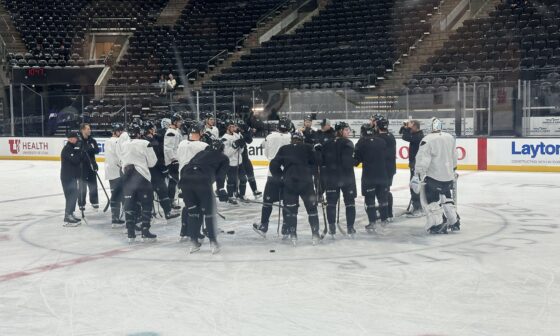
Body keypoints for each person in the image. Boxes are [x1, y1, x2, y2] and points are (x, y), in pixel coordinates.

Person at [179, 139, 230, 254]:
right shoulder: (223, 157)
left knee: (193, 213)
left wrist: (182, 188)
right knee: (209, 213)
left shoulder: (200, 153)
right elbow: (221, 176)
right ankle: (213, 243)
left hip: (185, 180)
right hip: (202, 181)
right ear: (222, 149)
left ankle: (193, 243)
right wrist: (221, 190)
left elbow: (185, 167)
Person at [269, 132, 320, 244]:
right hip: (306, 182)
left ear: (292, 139)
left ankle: (293, 234)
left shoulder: (284, 148)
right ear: (302, 139)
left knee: (291, 211)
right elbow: (317, 163)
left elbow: (273, 164)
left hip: (290, 183)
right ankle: (315, 234)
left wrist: (280, 177)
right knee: (312, 209)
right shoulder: (308, 147)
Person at [413, 117, 460, 234]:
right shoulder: (449, 137)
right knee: (447, 198)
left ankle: (438, 224)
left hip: (434, 176)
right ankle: (454, 221)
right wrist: (453, 169)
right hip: (448, 176)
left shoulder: (427, 140)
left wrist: (417, 175)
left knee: (432, 201)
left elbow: (422, 160)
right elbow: (454, 156)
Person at [252, 117, 292, 237]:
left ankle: (264, 225)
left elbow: (263, 148)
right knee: (287, 202)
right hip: (287, 174)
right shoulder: (291, 137)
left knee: (267, 201)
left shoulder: (269, 137)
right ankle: (286, 228)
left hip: (272, 174)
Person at [121, 123, 158, 242]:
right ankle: (145, 231)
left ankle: (130, 233)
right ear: (139, 133)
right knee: (146, 204)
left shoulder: (123, 144)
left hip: (127, 176)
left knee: (129, 204)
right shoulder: (145, 143)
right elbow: (153, 162)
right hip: (142, 177)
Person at [322, 121, 356, 237]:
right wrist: (355, 161)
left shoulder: (326, 143)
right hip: (346, 179)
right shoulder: (348, 143)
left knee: (331, 204)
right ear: (340, 131)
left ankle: (332, 227)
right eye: (346, 130)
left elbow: (322, 162)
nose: (348, 132)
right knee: (350, 204)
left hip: (331, 179)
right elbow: (348, 162)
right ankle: (350, 228)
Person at [354, 124, 389, 234]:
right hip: (382, 174)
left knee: (370, 200)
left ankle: (372, 222)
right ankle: (384, 219)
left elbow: (356, 161)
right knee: (382, 198)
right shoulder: (382, 141)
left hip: (369, 176)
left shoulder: (361, 142)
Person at [177, 121, 209, 239]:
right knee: (198, 205)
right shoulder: (202, 146)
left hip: (183, 177)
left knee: (188, 205)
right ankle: (194, 231)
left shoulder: (182, 144)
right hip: (196, 178)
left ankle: (184, 231)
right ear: (201, 132)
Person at [144, 121, 180, 220]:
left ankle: (149, 213)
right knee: (162, 191)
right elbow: (157, 159)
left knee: (147, 193)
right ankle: (168, 212)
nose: (155, 130)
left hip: (144, 171)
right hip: (155, 171)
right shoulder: (153, 143)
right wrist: (164, 169)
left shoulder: (144, 140)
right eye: (153, 129)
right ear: (150, 130)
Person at [399, 119, 425, 216]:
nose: (409, 128)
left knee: (415, 185)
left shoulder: (419, 136)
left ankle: (418, 208)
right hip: (414, 163)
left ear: (414, 126)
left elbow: (405, 137)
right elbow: (402, 133)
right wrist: (405, 127)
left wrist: (407, 128)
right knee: (413, 185)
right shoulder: (415, 134)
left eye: (410, 126)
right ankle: (416, 206)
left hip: (417, 164)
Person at [375, 116, 397, 221]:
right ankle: (389, 214)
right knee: (386, 190)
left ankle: (385, 213)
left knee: (382, 192)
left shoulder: (378, 138)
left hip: (382, 169)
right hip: (391, 168)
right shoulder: (391, 136)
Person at [104, 123, 126, 227]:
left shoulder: (107, 141)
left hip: (110, 172)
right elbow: (120, 157)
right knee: (121, 195)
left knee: (115, 195)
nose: (121, 133)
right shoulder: (117, 142)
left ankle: (115, 218)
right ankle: (123, 218)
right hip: (118, 172)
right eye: (120, 131)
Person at [221, 119, 247, 204]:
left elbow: (241, 151)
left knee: (243, 179)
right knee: (231, 181)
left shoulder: (237, 135)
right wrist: (235, 146)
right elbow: (227, 154)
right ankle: (230, 196)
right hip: (230, 164)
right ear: (227, 127)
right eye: (232, 126)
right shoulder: (224, 138)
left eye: (234, 126)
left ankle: (242, 195)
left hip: (239, 162)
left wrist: (241, 146)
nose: (233, 127)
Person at [60, 131, 83, 226]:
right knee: (70, 196)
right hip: (67, 177)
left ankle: (71, 213)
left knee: (74, 195)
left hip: (72, 176)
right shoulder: (67, 149)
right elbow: (76, 160)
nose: (77, 139)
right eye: (75, 138)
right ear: (70, 138)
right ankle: (67, 215)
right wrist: (78, 151)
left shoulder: (72, 148)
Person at [237, 119, 262, 199]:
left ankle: (254, 190)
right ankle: (240, 194)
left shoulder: (243, 132)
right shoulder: (234, 134)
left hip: (245, 158)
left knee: (250, 174)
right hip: (237, 159)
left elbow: (249, 141)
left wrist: (247, 132)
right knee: (241, 178)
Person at [78, 123, 100, 210]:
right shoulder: (78, 141)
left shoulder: (92, 140)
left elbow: (97, 150)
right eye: (87, 129)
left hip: (91, 166)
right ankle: (81, 203)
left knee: (93, 185)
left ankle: (94, 201)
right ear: (82, 130)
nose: (89, 130)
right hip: (82, 167)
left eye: (89, 128)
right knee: (82, 186)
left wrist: (90, 149)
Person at [164, 113, 183, 209]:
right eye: (179, 121)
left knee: (174, 181)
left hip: (176, 159)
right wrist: (173, 159)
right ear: (175, 122)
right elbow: (168, 148)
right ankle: (170, 201)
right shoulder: (170, 132)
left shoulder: (176, 131)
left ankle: (172, 200)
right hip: (172, 161)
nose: (181, 123)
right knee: (173, 181)